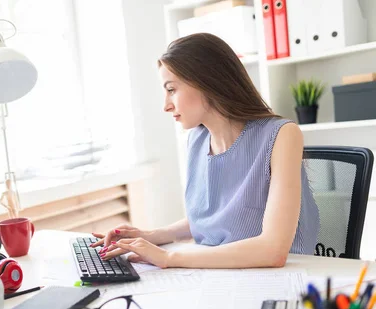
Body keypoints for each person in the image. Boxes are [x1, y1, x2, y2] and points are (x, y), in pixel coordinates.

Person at [92, 33, 319, 269]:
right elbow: (213, 219)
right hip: (216, 272)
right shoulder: (197, 140)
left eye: (171, 90)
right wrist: (152, 235)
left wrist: (168, 258)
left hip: (279, 278)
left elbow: (273, 250)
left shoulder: (282, 135)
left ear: (206, 82)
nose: (166, 105)